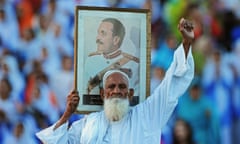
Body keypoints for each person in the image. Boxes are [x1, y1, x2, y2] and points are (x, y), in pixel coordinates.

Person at [36, 17, 195, 144]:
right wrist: (67, 115)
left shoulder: (147, 115)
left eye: (121, 86)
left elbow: (171, 85)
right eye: (111, 87)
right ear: (103, 93)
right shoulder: (89, 124)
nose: (116, 91)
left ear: (130, 93)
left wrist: (186, 43)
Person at [84, 17, 140, 106]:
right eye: (98, 33)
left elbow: (135, 98)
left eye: (103, 34)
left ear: (116, 40)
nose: (97, 38)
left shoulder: (133, 63)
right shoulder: (90, 60)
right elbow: (86, 92)